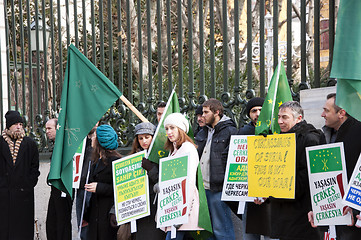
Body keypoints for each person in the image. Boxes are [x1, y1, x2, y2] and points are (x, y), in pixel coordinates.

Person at [308, 93, 361, 239]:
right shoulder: (324, 136)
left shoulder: (358, 132)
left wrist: (357, 209)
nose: (322, 114)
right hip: (336, 221)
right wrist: (316, 209)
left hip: (354, 222)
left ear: (341, 113)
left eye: (326, 110)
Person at [268, 101, 324, 240]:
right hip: (284, 215)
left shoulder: (310, 139)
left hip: (301, 216)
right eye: (278, 117)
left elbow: (307, 181)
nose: (280, 121)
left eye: (285, 117)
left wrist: (276, 190)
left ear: (299, 118)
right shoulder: (281, 138)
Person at [112, 122, 166, 240]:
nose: (144, 141)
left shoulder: (161, 156)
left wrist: (151, 169)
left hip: (155, 209)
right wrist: (115, 210)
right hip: (137, 210)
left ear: (153, 138)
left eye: (147, 137)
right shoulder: (132, 158)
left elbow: (164, 182)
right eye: (141, 138)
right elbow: (122, 187)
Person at [195, 98, 238, 240]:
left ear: (217, 112)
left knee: (222, 230)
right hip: (202, 189)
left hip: (218, 189)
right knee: (206, 229)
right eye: (202, 112)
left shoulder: (230, 131)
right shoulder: (202, 132)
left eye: (206, 112)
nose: (203, 116)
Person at [235, 97, 274, 240]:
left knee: (272, 233)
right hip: (249, 193)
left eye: (261, 110)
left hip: (272, 193)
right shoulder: (243, 132)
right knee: (250, 233)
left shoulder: (275, 130)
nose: (257, 113)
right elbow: (230, 155)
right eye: (254, 111)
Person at [162, 113, 203, 240]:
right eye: (167, 128)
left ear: (181, 129)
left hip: (183, 209)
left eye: (172, 128)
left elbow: (189, 182)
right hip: (173, 207)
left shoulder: (187, 148)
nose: (169, 132)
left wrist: (182, 213)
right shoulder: (173, 150)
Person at [0, 110, 40, 239]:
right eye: (16, 123)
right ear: (8, 125)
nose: (19, 127)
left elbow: (35, 169)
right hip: (4, 197)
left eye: (21, 124)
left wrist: (27, 184)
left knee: (22, 232)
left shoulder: (30, 144)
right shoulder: (1, 143)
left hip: (24, 196)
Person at [85, 124, 121, 240]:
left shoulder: (116, 161)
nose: (92, 138)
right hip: (95, 216)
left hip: (108, 216)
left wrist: (99, 187)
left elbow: (119, 189)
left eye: (95, 136)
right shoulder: (96, 160)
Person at [45, 118, 73, 240]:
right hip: (55, 189)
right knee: (51, 223)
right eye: (46, 129)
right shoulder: (56, 145)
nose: (47, 131)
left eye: (49, 128)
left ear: (58, 128)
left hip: (64, 189)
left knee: (62, 224)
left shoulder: (66, 146)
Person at [76, 126, 97, 240]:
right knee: (82, 224)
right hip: (81, 187)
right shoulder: (79, 137)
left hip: (95, 188)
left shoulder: (101, 136)